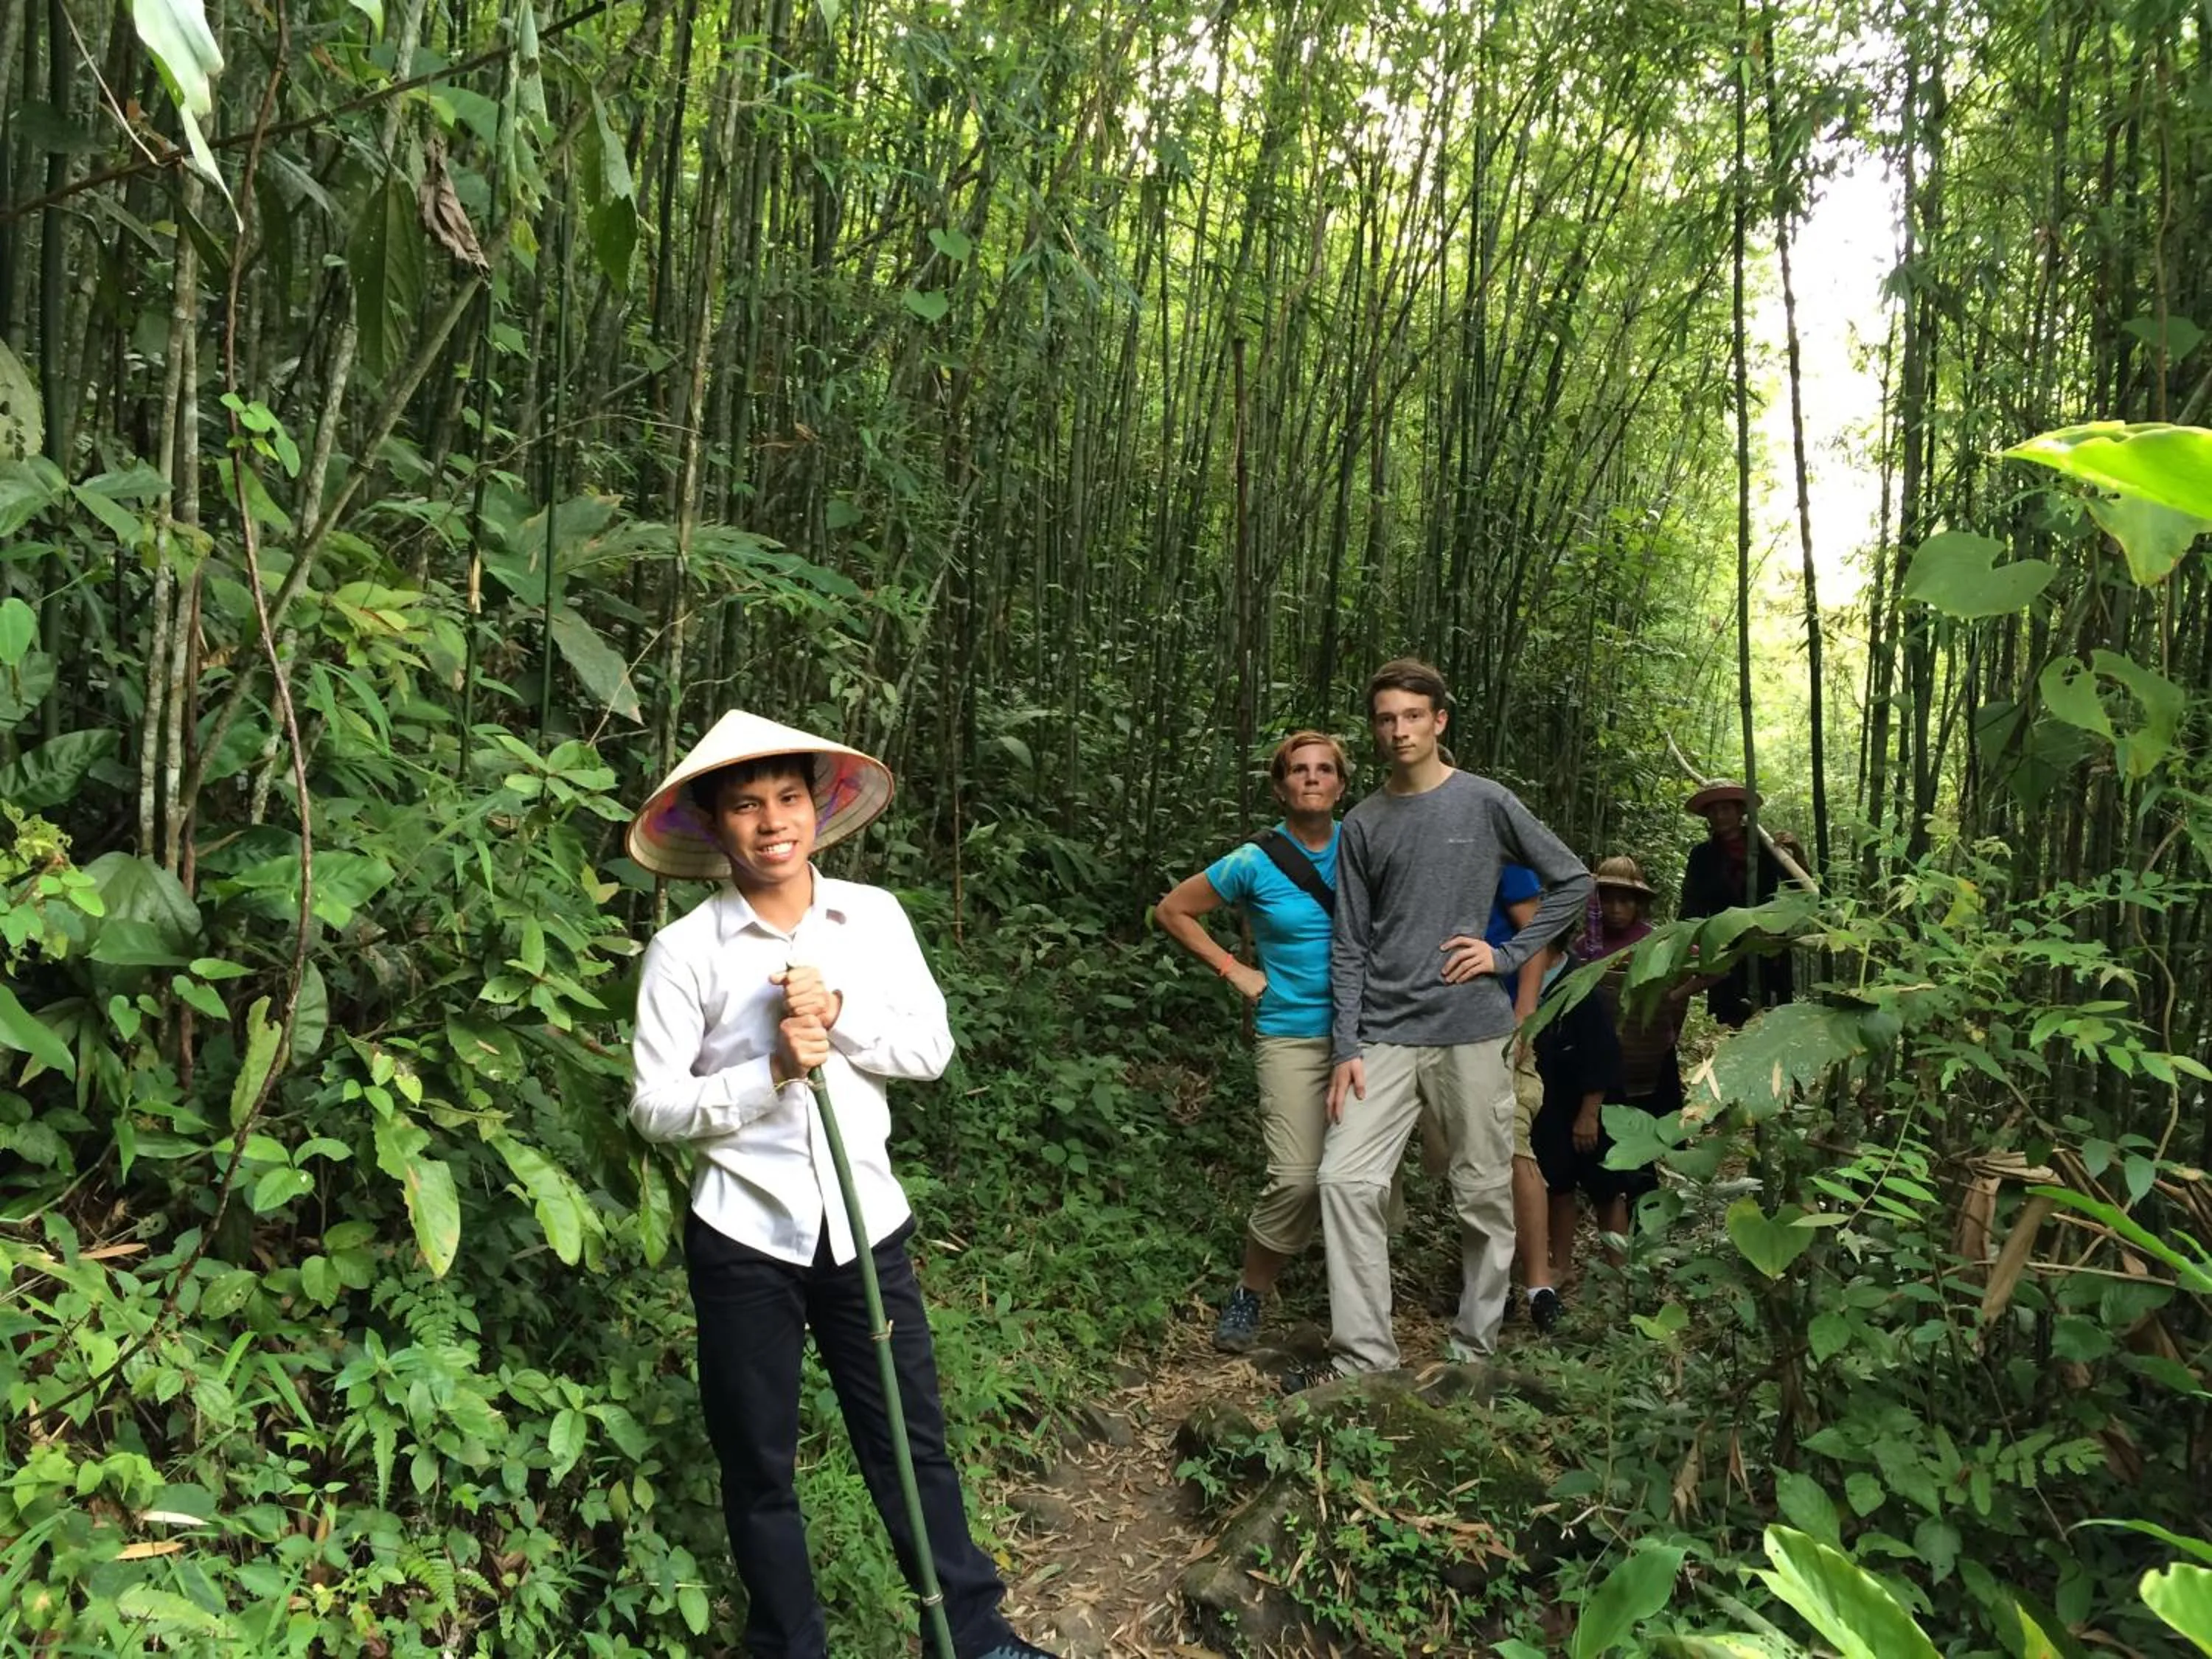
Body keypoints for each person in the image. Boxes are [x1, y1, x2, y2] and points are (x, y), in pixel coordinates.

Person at [625, 709, 1056, 1659]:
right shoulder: (686, 951)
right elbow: (654, 1106)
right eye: (746, 805)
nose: (771, 821)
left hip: (867, 1226)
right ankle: (789, 1645)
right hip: (743, 1235)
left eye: (788, 798)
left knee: (909, 1437)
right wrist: (771, 1071)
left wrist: (844, 1012)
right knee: (757, 1459)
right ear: (714, 824)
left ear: (816, 808)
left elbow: (931, 1051)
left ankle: (970, 1633)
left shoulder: (873, 917)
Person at [1312, 659, 1593, 1377]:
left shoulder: (1485, 802)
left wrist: (1507, 955)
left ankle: (1473, 1353)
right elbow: (1349, 942)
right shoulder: (1363, 822)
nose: (1399, 730)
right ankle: (1365, 1359)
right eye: (1386, 719)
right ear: (1375, 729)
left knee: (1482, 1194)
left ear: (1439, 720)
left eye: (1413, 716)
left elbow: (1572, 881)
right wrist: (1345, 1046)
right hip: (1382, 1033)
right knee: (1345, 1180)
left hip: (1472, 1029)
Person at [1155, 731, 1355, 1352]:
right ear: (1280, 786)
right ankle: (1250, 1291)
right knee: (1296, 1177)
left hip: (1369, 1034)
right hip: (1292, 1035)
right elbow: (1173, 910)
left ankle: (1360, 1314)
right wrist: (1233, 968)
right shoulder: (1254, 861)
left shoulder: (1365, 843)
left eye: (1325, 769)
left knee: (1363, 1181)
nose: (1312, 778)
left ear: (1342, 785)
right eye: (1299, 769)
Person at [1530, 858, 1683, 1287]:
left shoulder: (1587, 974)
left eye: (1625, 900)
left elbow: (1601, 1049)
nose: (1616, 908)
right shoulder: (1572, 959)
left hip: (1609, 1086)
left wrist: (1590, 1111)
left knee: (1609, 1182)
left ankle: (1622, 1272)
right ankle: (1561, 1265)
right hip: (1554, 1091)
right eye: (1608, 900)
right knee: (1559, 1182)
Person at [1677, 781, 1797, 1028]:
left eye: (1726, 809)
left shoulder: (1765, 847)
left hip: (1767, 939)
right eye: (1713, 811)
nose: (1719, 816)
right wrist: (1690, 945)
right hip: (1725, 943)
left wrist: (1796, 852)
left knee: (1772, 1015)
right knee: (1733, 1016)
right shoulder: (1702, 855)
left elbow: (1798, 885)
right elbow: (1692, 903)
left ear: (1740, 811)